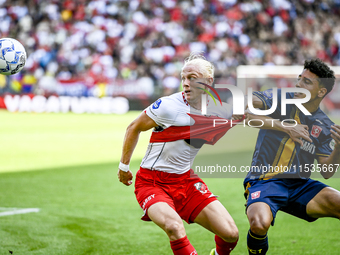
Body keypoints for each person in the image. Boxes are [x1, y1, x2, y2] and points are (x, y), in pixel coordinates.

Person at [118, 52, 239, 255]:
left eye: (192, 77)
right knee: (174, 227)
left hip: (186, 181)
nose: (185, 83)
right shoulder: (168, 106)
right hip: (152, 182)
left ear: (209, 81)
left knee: (231, 234)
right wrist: (124, 166)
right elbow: (134, 127)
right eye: (183, 77)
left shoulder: (218, 109)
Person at [243, 58, 340, 254]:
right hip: (265, 181)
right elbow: (248, 113)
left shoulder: (324, 125)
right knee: (259, 224)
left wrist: (338, 148)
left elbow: (327, 172)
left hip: (300, 186)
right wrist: (287, 127)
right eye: (299, 79)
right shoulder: (281, 99)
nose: (298, 85)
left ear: (321, 92)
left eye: (307, 82)